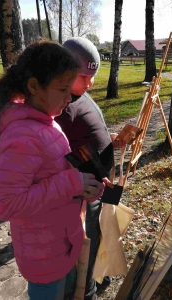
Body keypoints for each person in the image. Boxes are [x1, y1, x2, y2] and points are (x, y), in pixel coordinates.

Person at [0, 40, 106, 300]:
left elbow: (54, 173)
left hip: (62, 244)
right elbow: (6, 205)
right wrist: (73, 183)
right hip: (44, 257)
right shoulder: (21, 135)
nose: (69, 98)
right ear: (34, 86)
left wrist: (86, 185)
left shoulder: (46, 121)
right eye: (62, 90)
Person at [55, 37, 124, 300]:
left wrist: (110, 139)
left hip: (99, 187)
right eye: (84, 76)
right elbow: (57, 154)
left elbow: (84, 136)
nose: (91, 83)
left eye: (93, 76)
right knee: (86, 247)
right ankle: (86, 293)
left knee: (99, 240)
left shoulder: (78, 94)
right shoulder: (59, 106)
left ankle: (98, 273)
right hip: (83, 195)